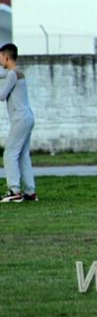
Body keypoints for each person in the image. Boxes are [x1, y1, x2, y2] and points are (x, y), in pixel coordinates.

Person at [0, 43, 37, 203]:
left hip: (20, 119)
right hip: (28, 117)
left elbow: (2, 95)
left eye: (0, 56)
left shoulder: (12, 74)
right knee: (23, 155)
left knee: (9, 154)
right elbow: (3, 75)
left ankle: (14, 190)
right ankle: (30, 191)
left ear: (6, 57)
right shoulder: (17, 72)